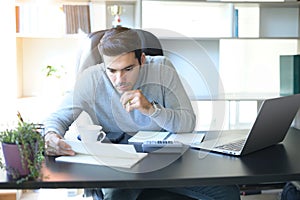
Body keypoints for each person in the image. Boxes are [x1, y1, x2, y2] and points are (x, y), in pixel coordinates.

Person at [43, 26, 240, 200]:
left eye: (128, 68)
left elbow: (187, 122)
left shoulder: (162, 68)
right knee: (116, 196)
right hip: (120, 166)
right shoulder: (91, 79)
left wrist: (152, 110)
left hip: (165, 162)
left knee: (227, 192)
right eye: (112, 70)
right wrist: (51, 136)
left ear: (142, 60)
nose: (119, 79)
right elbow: (57, 118)